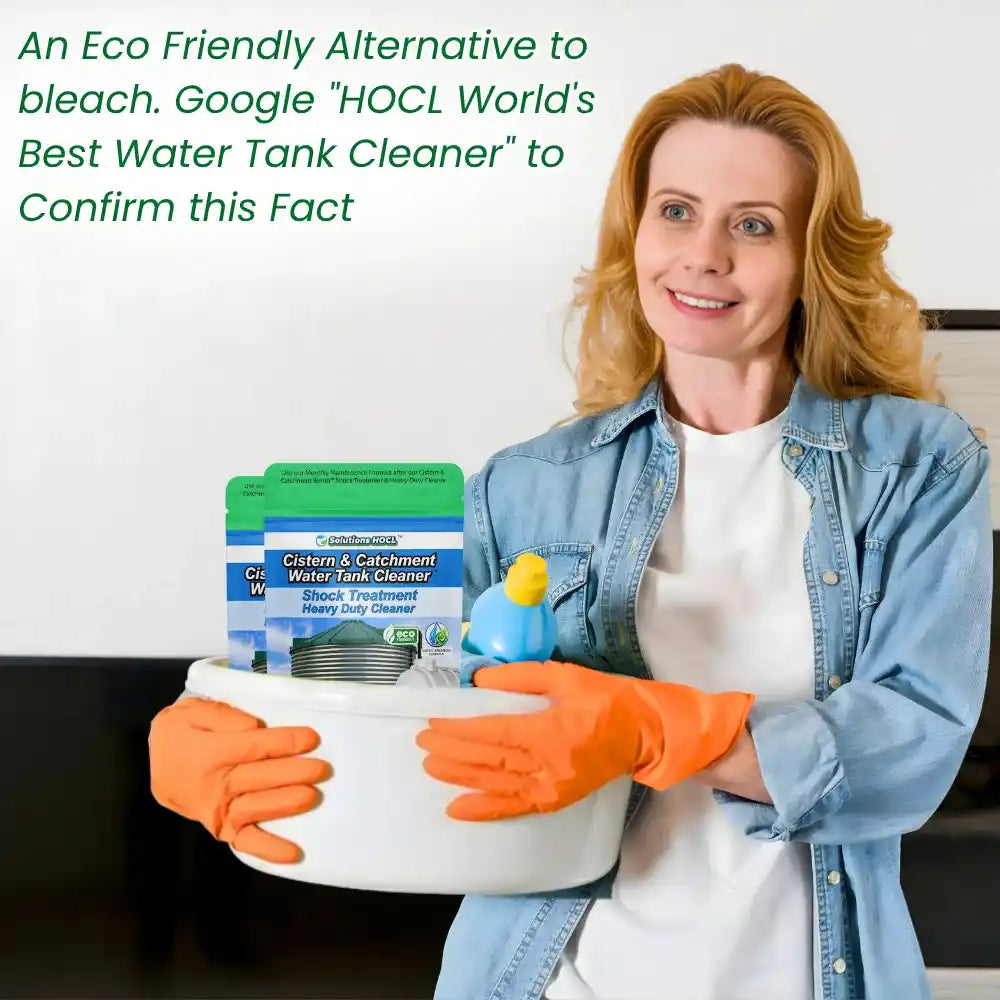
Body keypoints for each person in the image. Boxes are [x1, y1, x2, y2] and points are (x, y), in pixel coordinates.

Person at [148, 63, 992, 1000]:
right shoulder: (530, 485)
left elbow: (916, 743)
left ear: (808, 258)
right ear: (634, 234)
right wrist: (222, 721)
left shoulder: (914, 464)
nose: (703, 254)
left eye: (752, 225)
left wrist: (656, 726)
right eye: (676, 211)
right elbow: (393, 677)